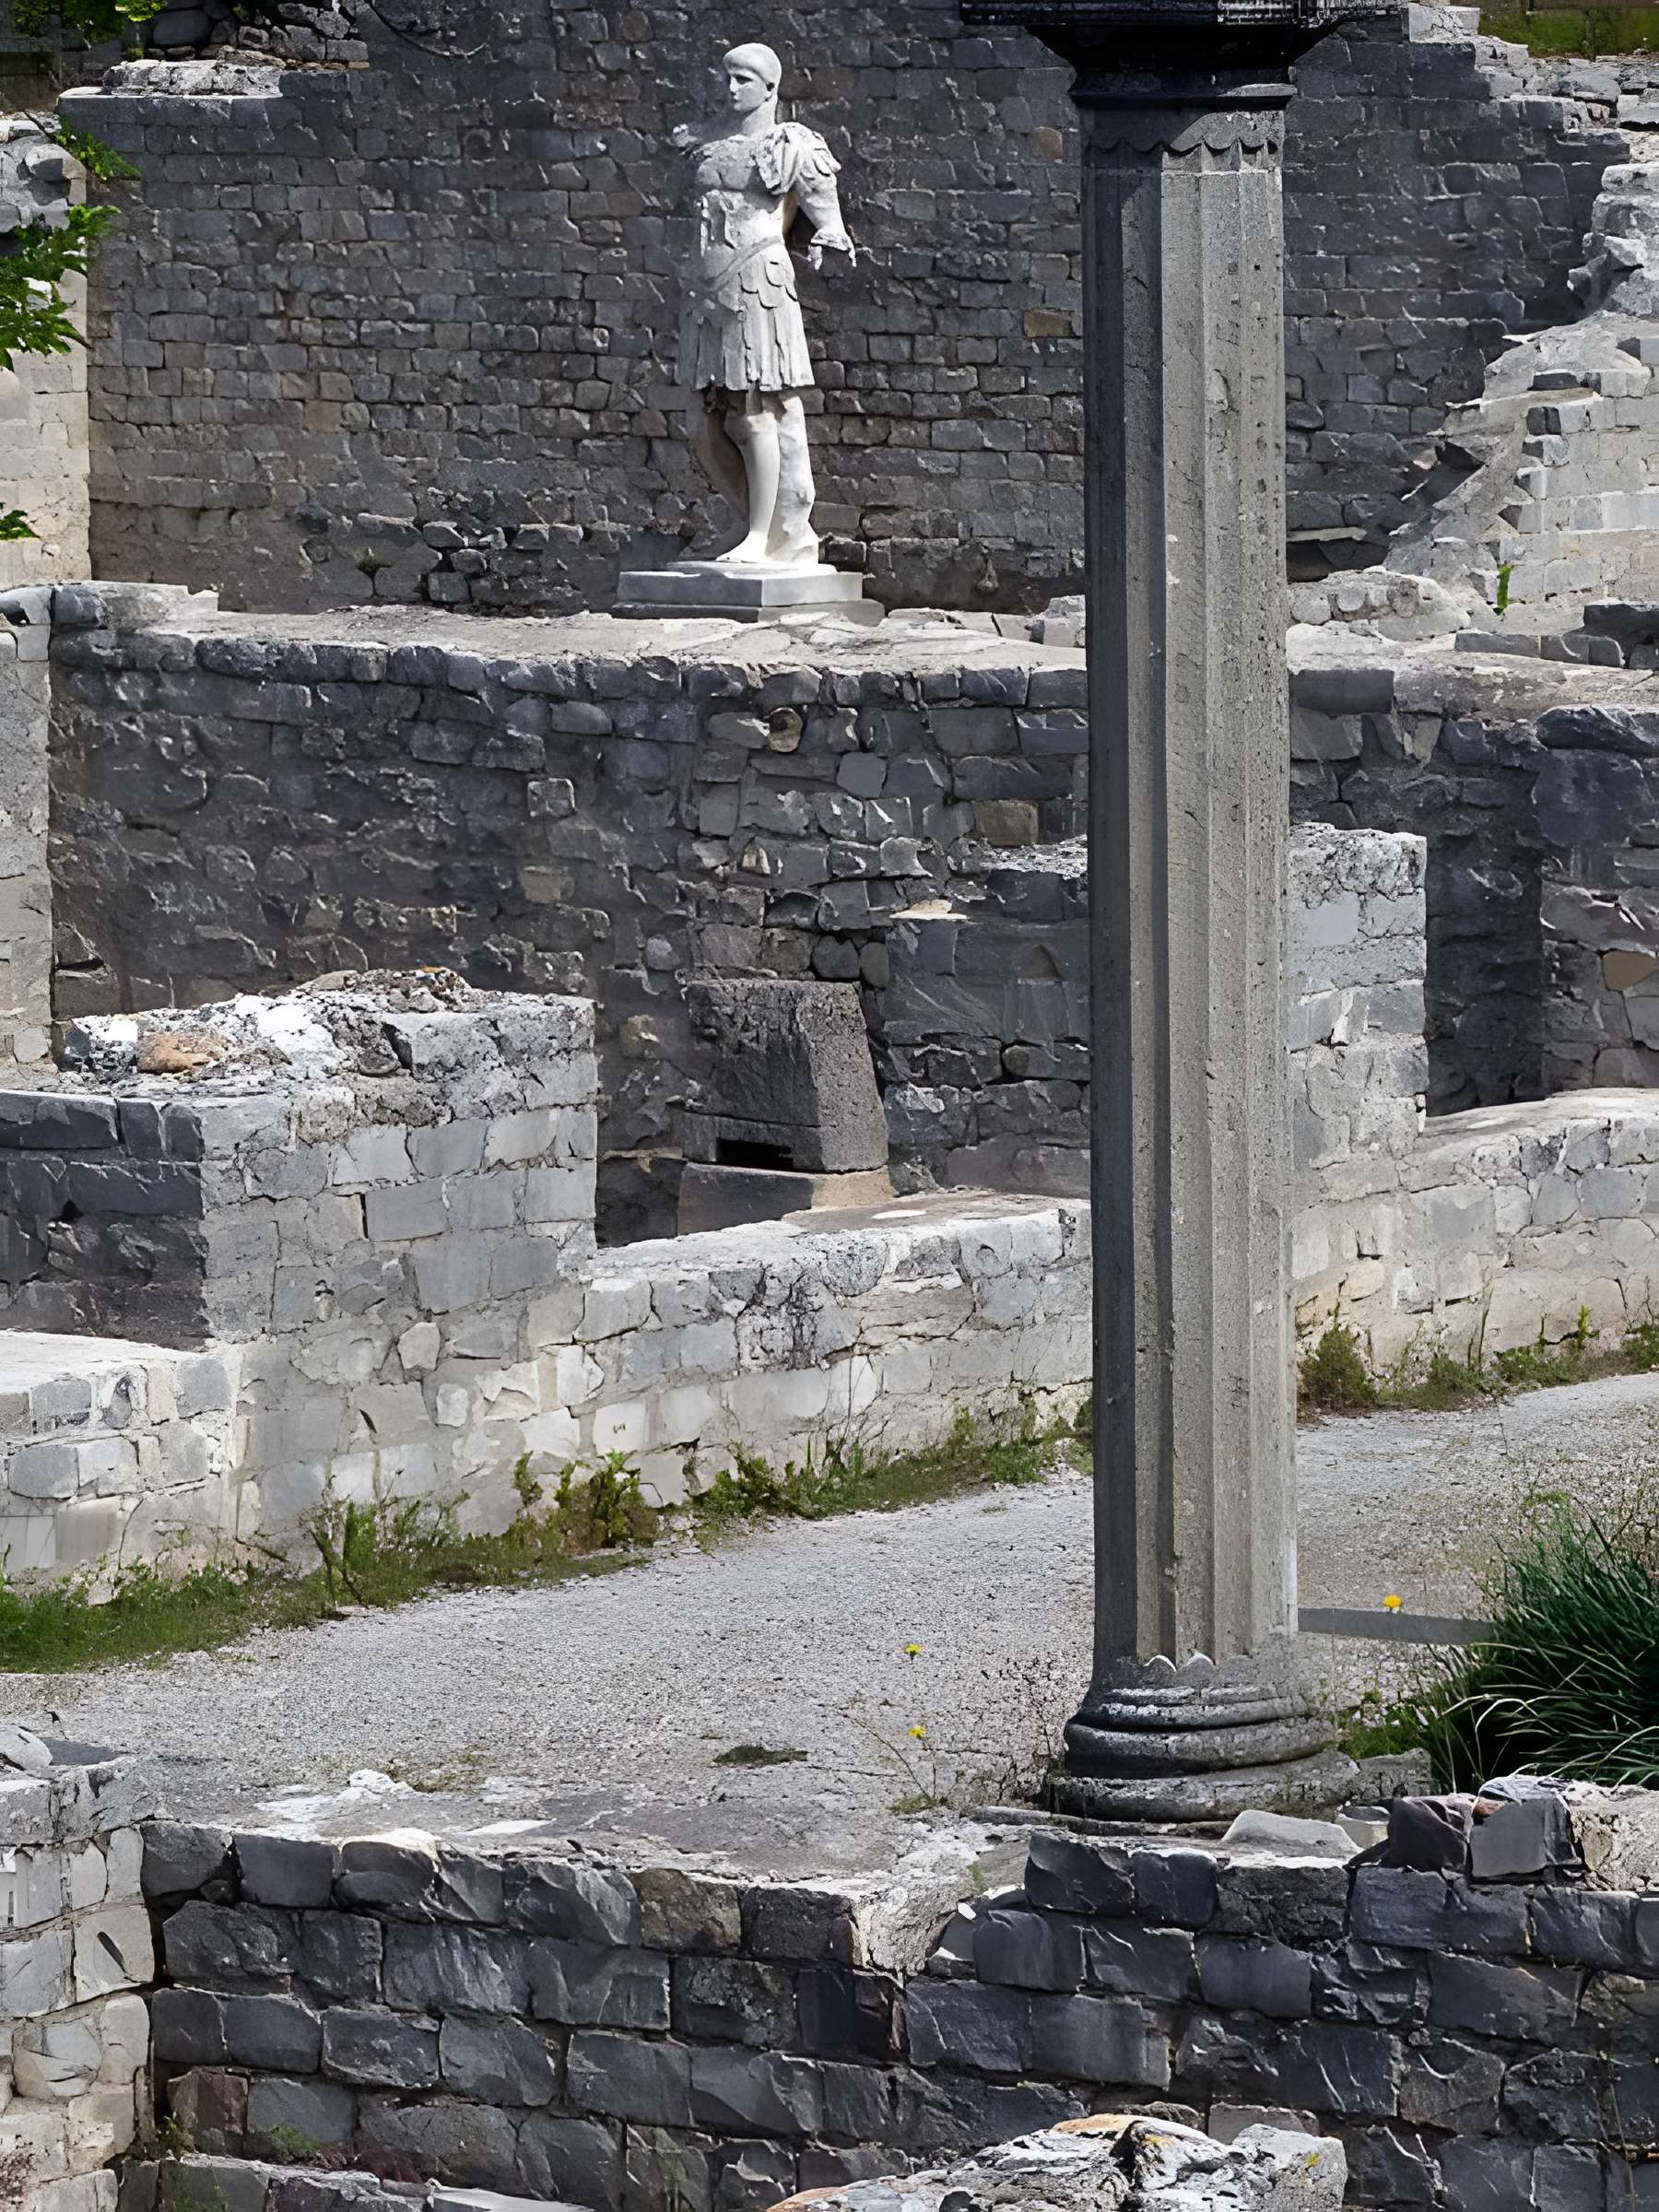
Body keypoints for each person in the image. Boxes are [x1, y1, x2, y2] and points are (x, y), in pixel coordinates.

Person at [672, 42, 856, 569]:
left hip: (759, 279)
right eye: (727, 77)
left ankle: (765, 536)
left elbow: (826, 211)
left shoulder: (791, 143)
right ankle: (746, 518)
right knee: (702, 424)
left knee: (757, 411)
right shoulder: (704, 142)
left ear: (770, 87)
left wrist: (830, 234)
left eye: (743, 79)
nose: (730, 88)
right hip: (704, 290)